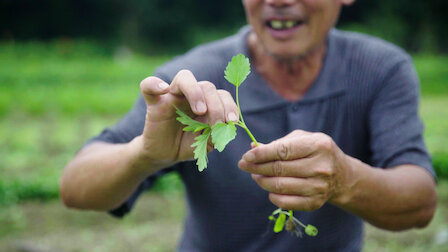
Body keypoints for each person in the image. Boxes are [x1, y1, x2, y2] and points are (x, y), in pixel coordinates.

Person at [60, 0, 437, 251]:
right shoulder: (193, 81)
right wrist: (142, 154)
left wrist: (344, 179)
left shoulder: (380, 70)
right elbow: (75, 187)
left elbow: (420, 202)